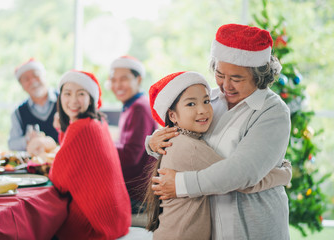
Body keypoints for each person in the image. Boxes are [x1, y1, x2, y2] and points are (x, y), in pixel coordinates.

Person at [147, 24, 291, 239]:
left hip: (252, 225)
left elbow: (242, 173)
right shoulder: (207, 100)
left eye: (237, 78)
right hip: (209, 224)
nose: (226, 86)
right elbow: (183, 141)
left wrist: (180, 184)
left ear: (259, 76)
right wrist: (152, 143)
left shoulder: (273, 112)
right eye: (219, 74)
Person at [49, 70, 131, 240]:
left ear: (91, 99)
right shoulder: (99, 122)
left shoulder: (80, 128)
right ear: (60, 97)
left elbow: (58, 180)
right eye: (67, 93)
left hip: (96, 225)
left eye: (81, 94)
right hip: (118, 218)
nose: (73, 100)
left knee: (42, 226)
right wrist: (62, 129)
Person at [108, 55, 158, 213]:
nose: (117, 85)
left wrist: (101, 146)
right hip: (133, 189)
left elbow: (130, 157)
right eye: (113, 80)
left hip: (137, 195)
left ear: (138, 80)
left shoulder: (139, 108)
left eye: (123, 79)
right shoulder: (132, 105)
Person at [8, 58, 58, 151]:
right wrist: (27, 140)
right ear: (22, 86)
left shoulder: (64, 101)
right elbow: (11, 144)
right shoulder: (18, 112)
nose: (32, 81)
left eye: (36, 75)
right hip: (34, 163)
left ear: (44, 76)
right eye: (26, 79)